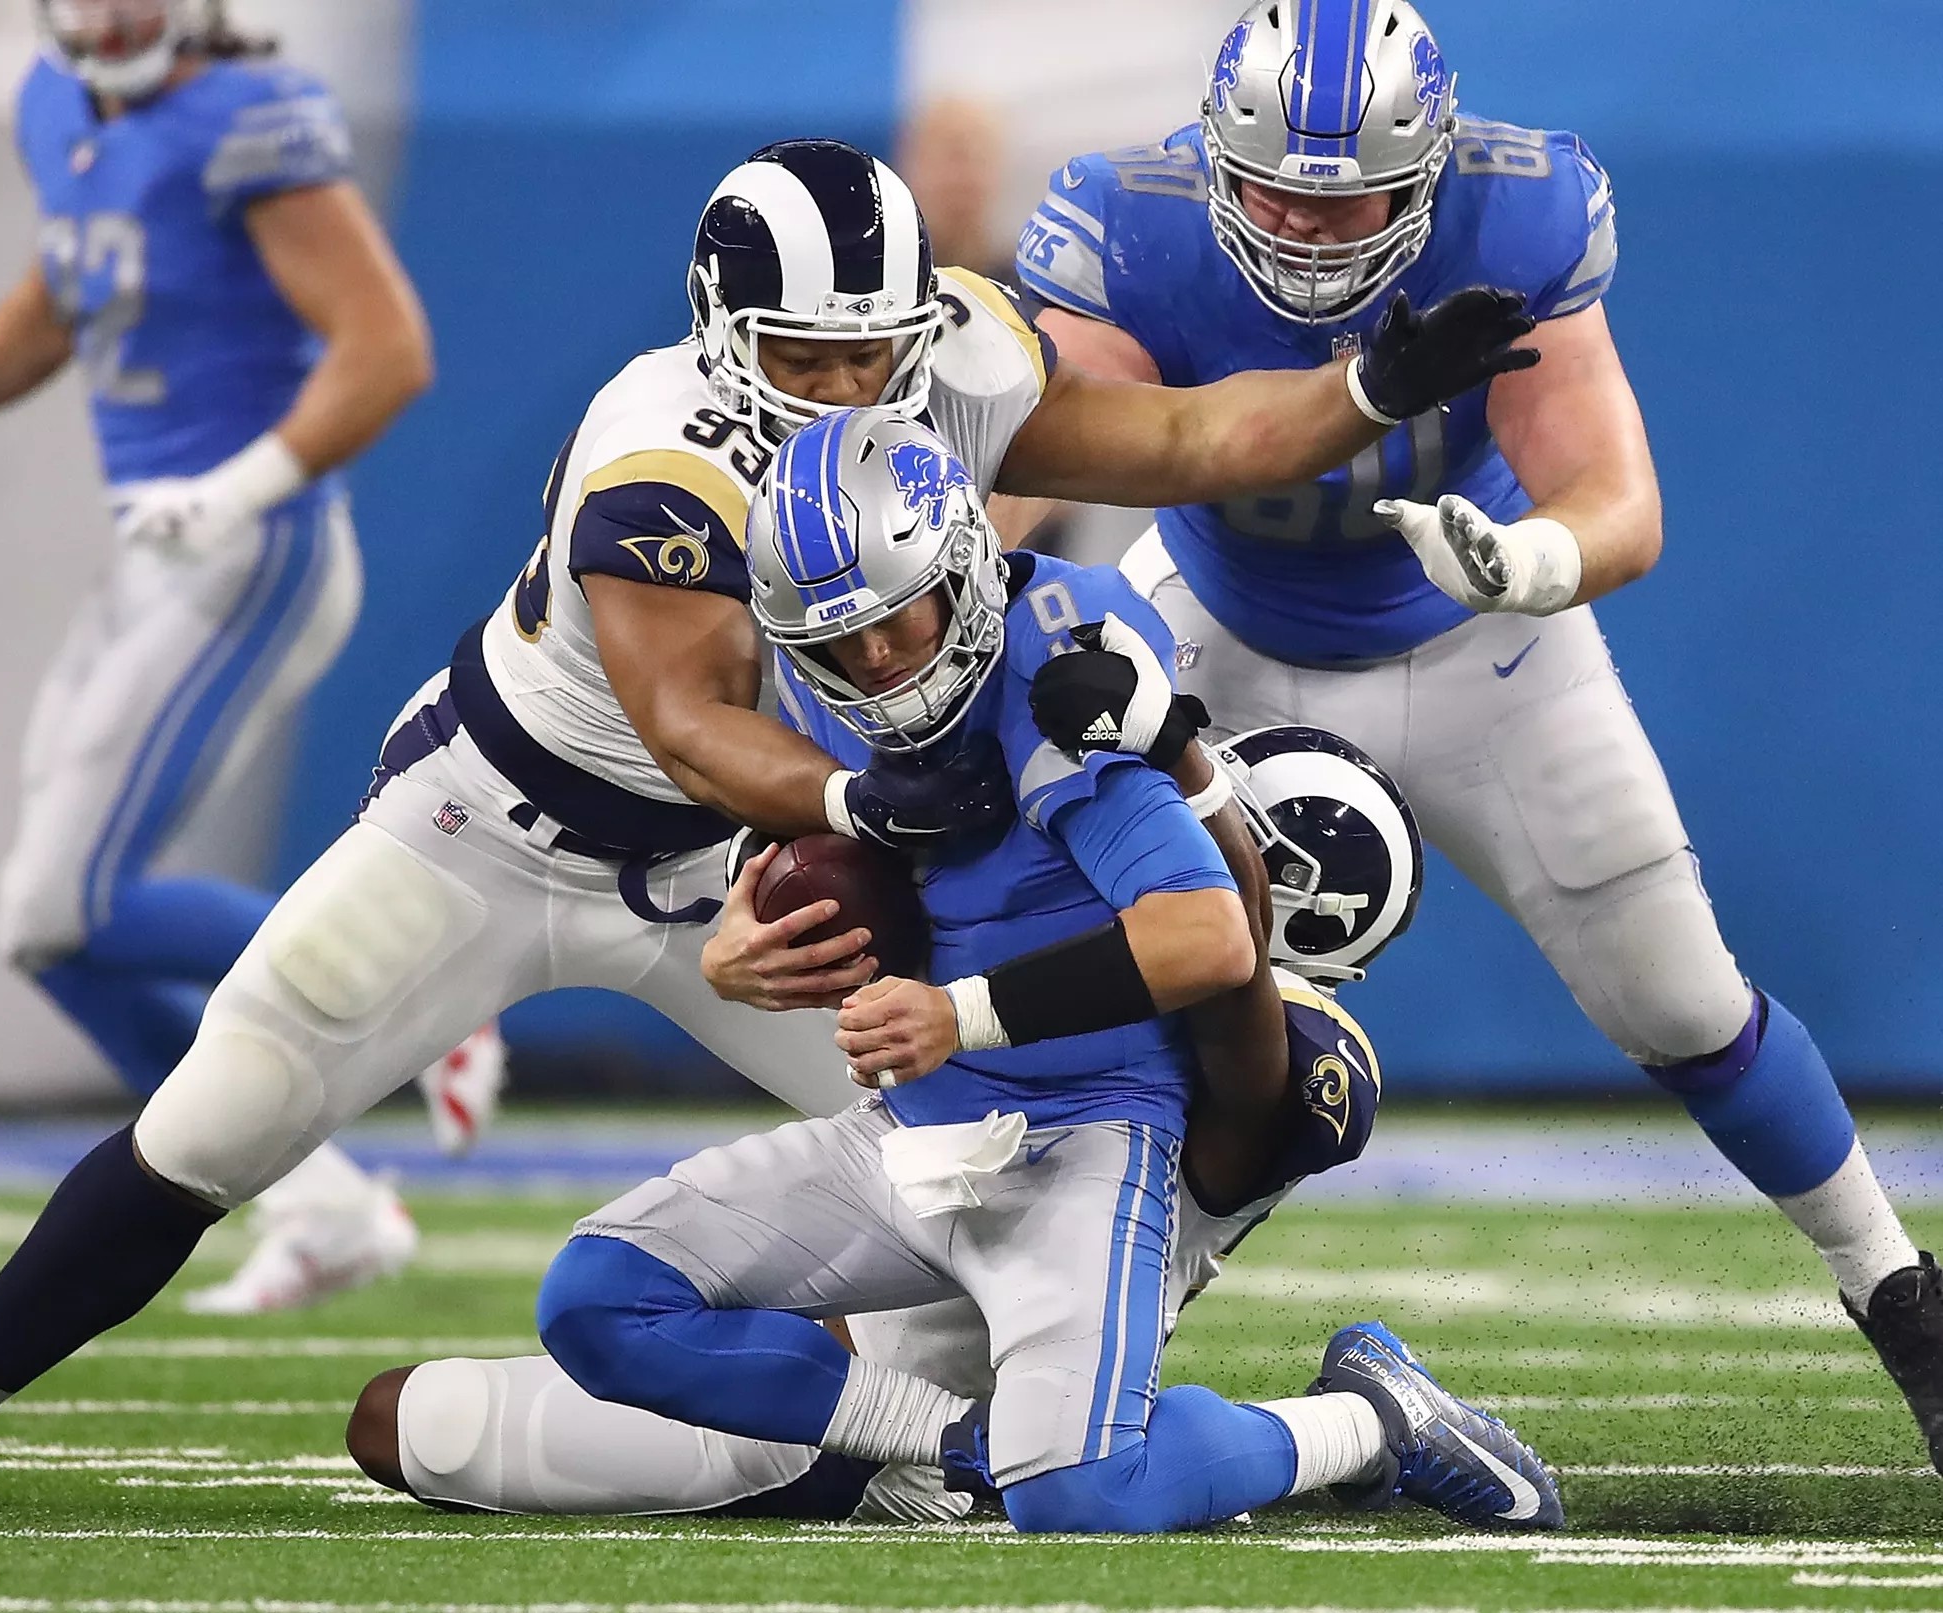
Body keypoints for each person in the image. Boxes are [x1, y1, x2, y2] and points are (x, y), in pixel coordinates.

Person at [0, 134, 1534, 1508]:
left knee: (1039, 1140)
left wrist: (1369, 391)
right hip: (509, 827)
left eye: (876, 353)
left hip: (760, 883)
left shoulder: (955, 366)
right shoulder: (659, 450)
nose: (852, 389)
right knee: (223, 1109)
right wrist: (862, 801)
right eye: (810, 358)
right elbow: (692, 723)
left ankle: (995, 1402)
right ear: (725, 335)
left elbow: (1191, 440)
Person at [1011, 0, 1943, 1469]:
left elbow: (1617, 500)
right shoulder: (1131, 225)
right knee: (1102, 988)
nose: (1313, 235)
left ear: (1433, 173)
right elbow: (1043, 473)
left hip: (1475, 631)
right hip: (1208, 631)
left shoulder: (1520, 217)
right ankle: (1030, 1348)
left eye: (1360, 198)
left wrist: (1536, 563)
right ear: (1214, 161)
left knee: (1682, 1000)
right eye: (1271, 194)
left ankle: (1903, 1298)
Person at [530, 407, 1559, 1535]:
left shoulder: (1057, 669)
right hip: (909, 1135)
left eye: (896, 617)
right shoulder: (830, 679)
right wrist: (738, 933)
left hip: (1083, 1132)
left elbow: (1210, 938)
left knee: (1078, 1492)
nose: (872, 659)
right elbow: (822, 853)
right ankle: (951, 1446)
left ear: (959, 567)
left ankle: (1366, 1424)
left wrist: (956, 1014)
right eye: (837, 639)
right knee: (596, 1296)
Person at [0, 0, 501, 1314]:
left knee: (71, 900)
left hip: (252, 547)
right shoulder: (54, 106)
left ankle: (450, 979)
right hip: (152, 556)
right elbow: (65, 295)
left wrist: (239, 489)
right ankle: (325, 1200)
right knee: (50, 931)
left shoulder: (248, 115)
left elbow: (388, 347)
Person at [345, 720, 1422, 1522]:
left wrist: (1195, 788)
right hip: (831, 1356)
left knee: (418, 1426)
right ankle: (965, 1444)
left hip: (873, 1429)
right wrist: (750, 913)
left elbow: (1229, 1001)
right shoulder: (1091, 950)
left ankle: (1359, 1422)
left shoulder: (1282, 1058)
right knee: (393, 1418)